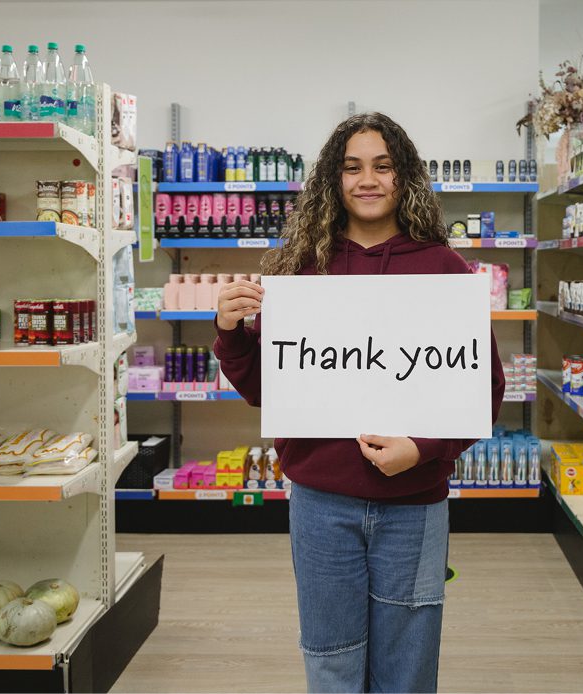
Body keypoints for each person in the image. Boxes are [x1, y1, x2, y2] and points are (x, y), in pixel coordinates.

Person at [214, 112, 505, 693]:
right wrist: (231, 332)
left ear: (404, 178)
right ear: (333, 180)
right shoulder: (303, 269)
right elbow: (267, 391)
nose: (367, 180)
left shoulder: (442, 268)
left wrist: (423, 449)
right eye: (352, 168)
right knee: (330, 657)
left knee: (408, 664)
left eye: (382, 166)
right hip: (321, 505)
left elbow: (484, 388)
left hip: (415, 506)